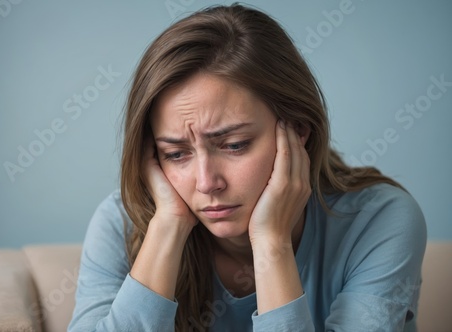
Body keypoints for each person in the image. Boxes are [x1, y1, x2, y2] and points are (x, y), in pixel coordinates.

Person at [68, 4, 426, 331]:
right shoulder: (120, 224)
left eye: (234, 145)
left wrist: (272, 242)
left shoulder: (380, 220)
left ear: (298, 129)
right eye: (176, 154)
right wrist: (168, 228)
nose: (207, 183)